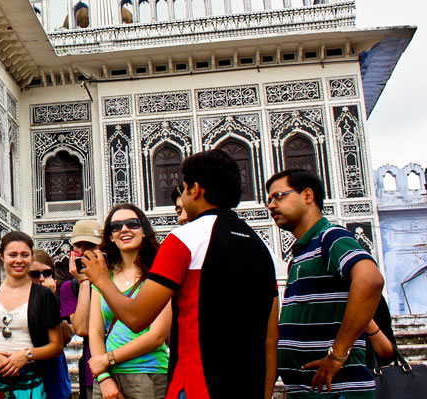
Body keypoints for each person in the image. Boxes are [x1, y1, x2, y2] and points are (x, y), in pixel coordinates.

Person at [81, 149, 279, 399]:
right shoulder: (262, 247)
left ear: (195, 190)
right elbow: (271, 338)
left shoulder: (185, 239)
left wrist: (101, 280)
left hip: (198, 384)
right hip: (248, 383)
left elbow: (136, 318)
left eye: (184, 190)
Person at [267, 169, 386, 398]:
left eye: (279, 196)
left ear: (308, 196)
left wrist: (337, 354)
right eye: (269, 200)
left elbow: (370, 280)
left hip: (336, 390)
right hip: (311, 390)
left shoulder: (330, 237)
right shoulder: (302, 252)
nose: (271, 206)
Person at [86, 205, 170, 399]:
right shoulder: (103, 276)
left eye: (132, 224)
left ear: (144, 231)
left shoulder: (159, 273)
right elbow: (96, 331)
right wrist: (104, 377)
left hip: (148, 373)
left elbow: (157, 336)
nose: (124, 229)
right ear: (110, 237)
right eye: (116, 227)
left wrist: (107, 359)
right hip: (108, 378)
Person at [0, 231, 64, 399]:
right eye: (12, 255)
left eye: (25, 255)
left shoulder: (44, 295)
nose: (19, 260)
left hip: (29, 380)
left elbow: (56, 346)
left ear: (31, 256)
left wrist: (25, 355)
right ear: (1, 256)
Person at [67, 220, 103, 399]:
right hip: (94, 372)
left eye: (90, 245)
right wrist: (83, 281)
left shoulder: (120, 279)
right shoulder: (70, 288)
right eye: (78, 246)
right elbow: (81, 328)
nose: (83, 252)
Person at [32, 250, 74, 399]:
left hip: (52, 370)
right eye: (35, 274)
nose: (42, 278)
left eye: (47, 273)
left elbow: (67, 336)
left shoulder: (56, 299)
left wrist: (50, 301)